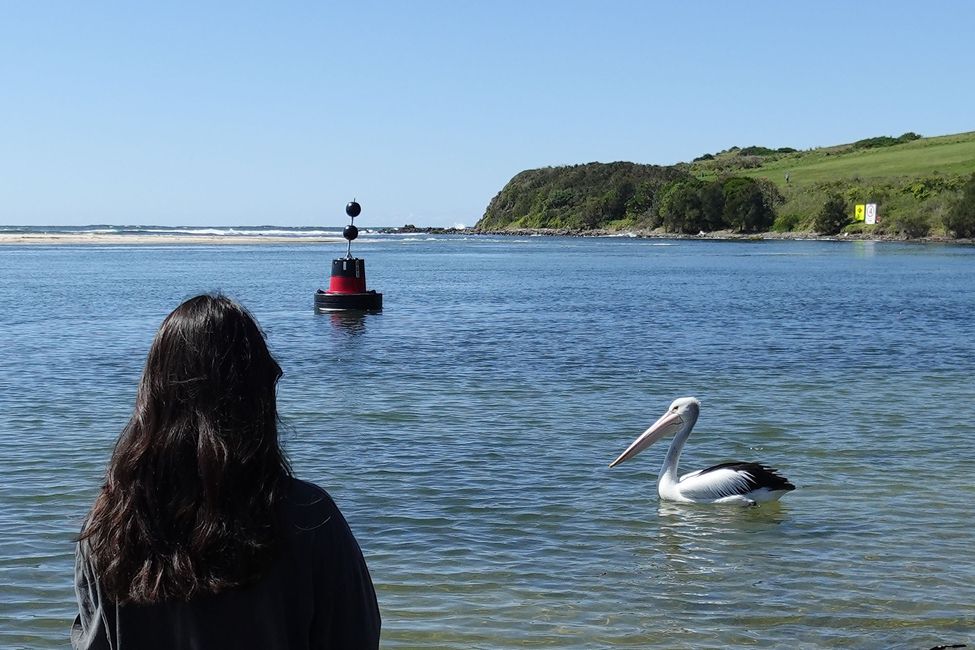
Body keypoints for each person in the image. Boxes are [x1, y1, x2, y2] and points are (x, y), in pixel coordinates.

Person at [71, 294, 380, 649]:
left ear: (153, 397)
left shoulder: (110, 528)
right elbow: (356, 636)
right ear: (258, 397)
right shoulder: (309, 517)